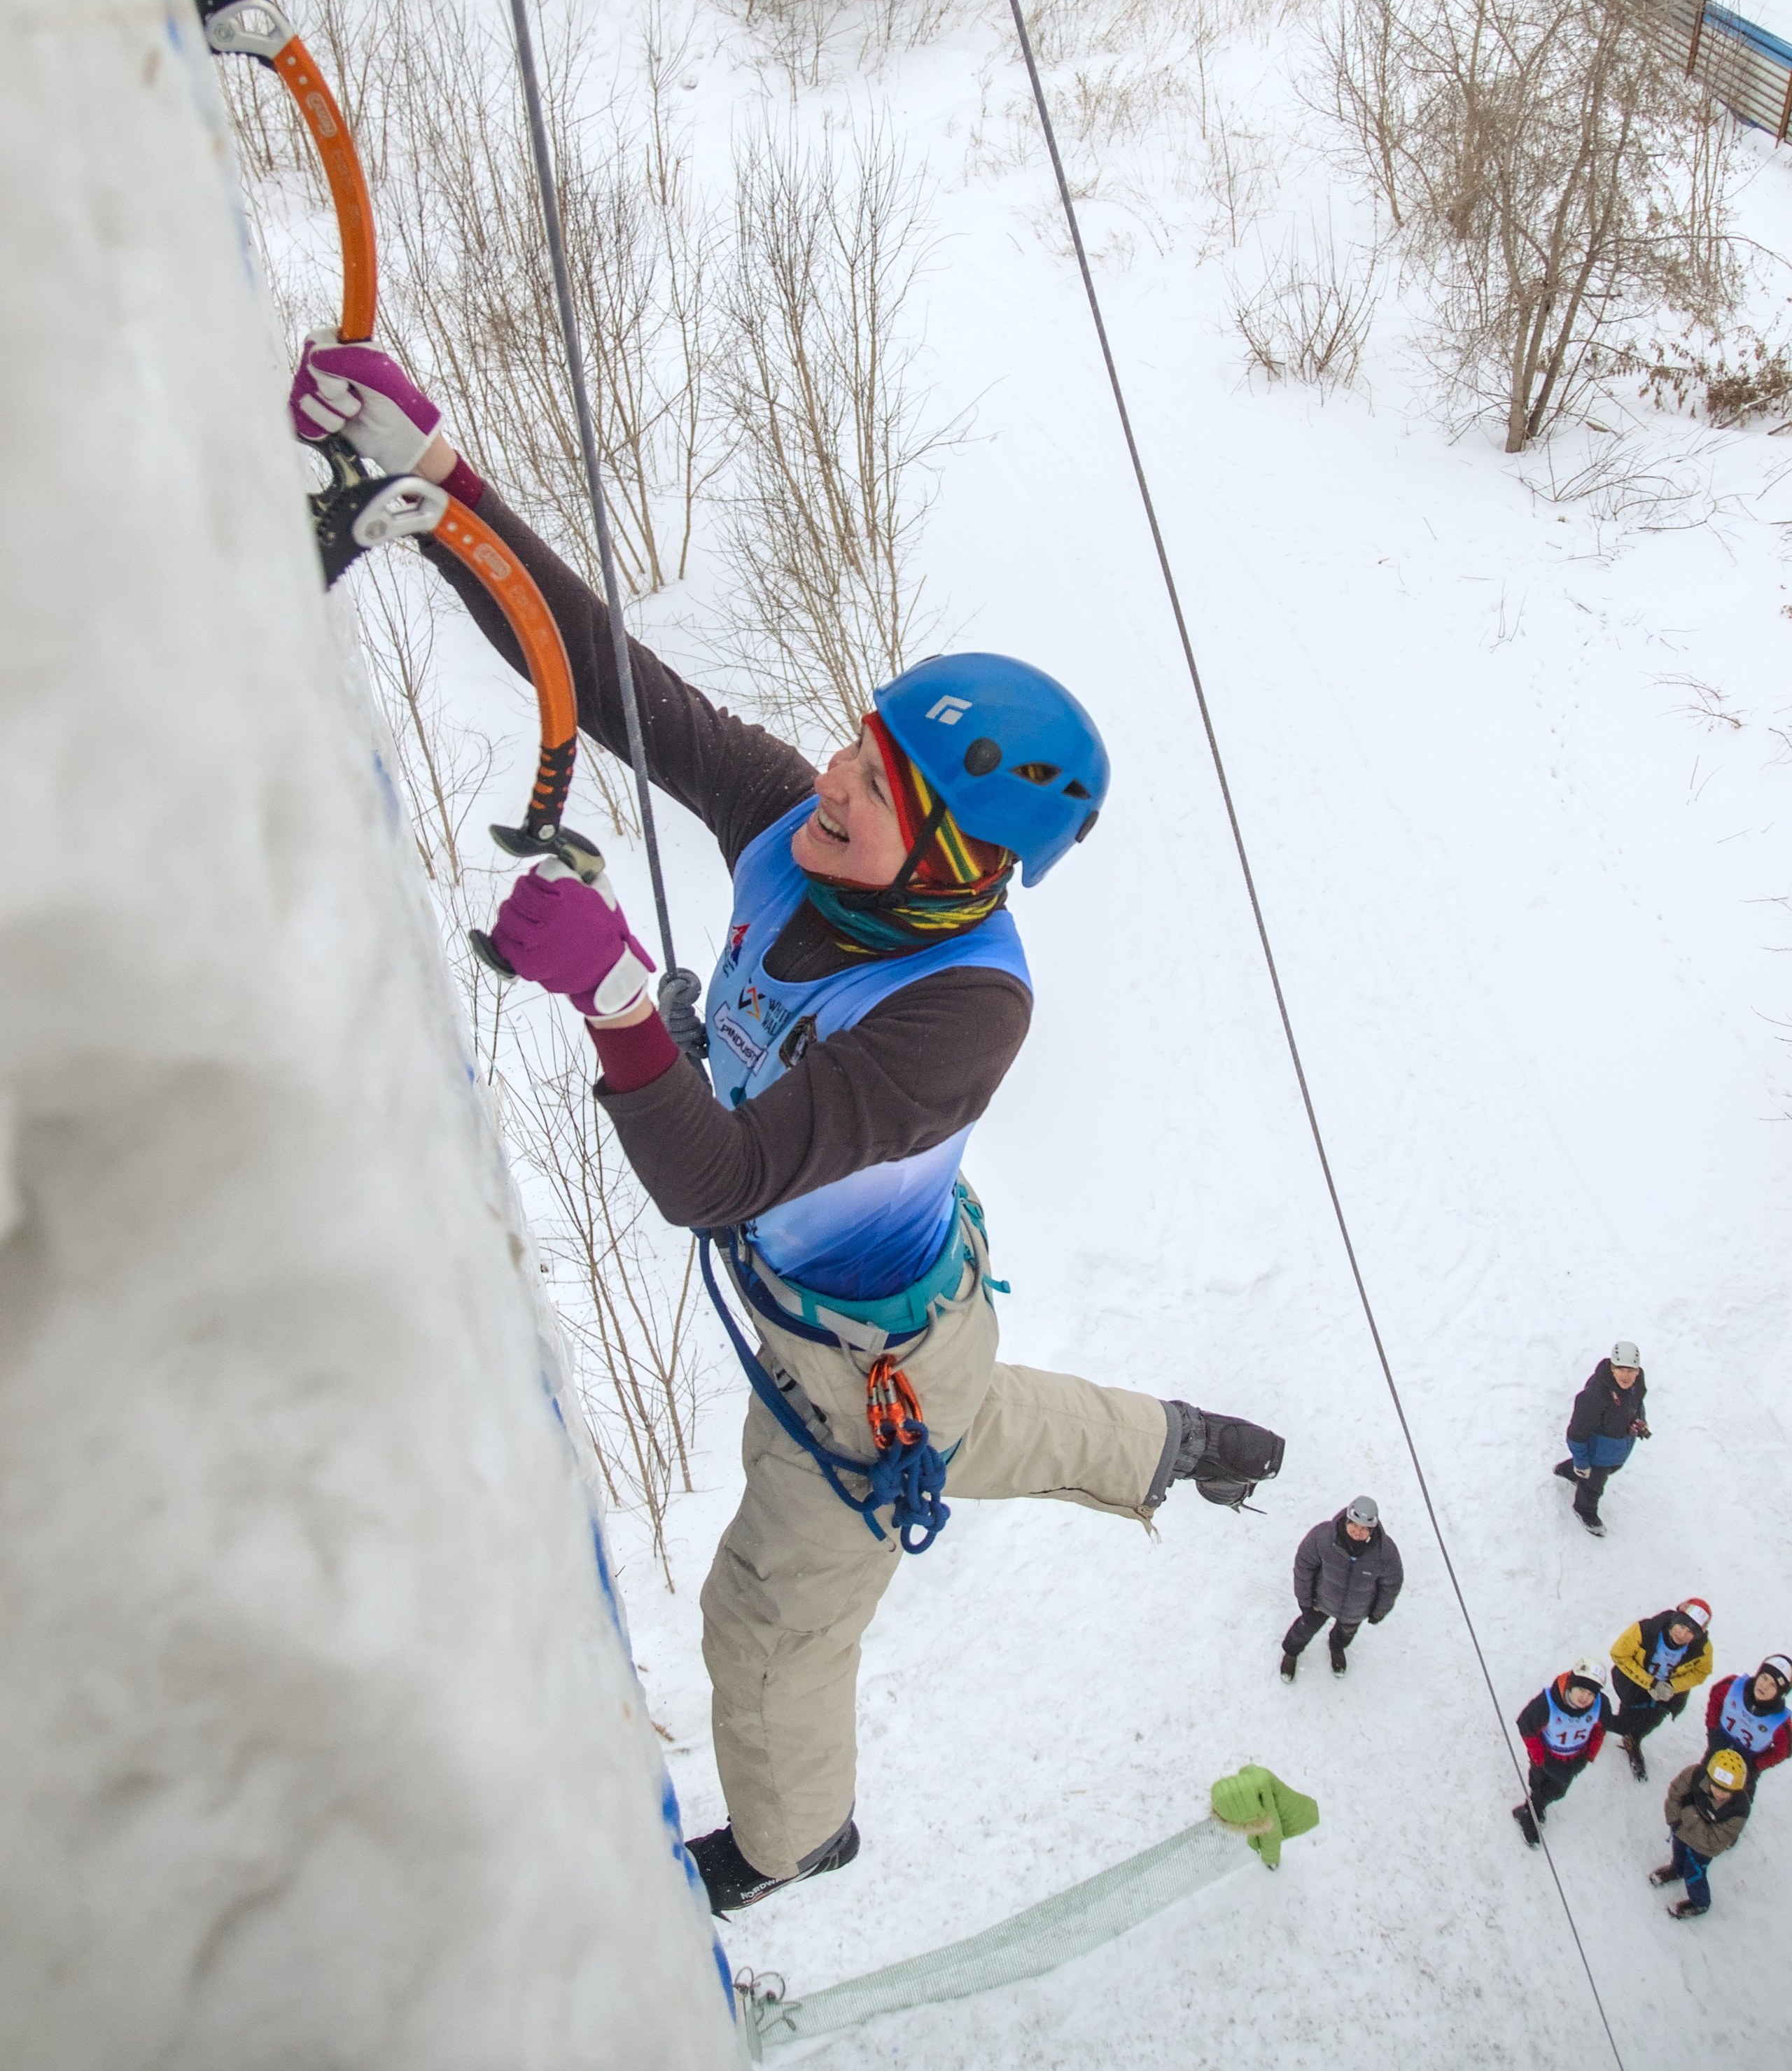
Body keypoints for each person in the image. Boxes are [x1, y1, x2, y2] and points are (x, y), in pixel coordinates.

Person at [286, 342, 1287, 1916]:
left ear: (958, 854)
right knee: (990, 1421)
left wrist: (620, 994)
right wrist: (448, 492)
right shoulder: (797, 829)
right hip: (907, 1330)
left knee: (768, 1620)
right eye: (850, 743)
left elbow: (720, 1177)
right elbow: (622, 682)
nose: (830, 776)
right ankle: (1172, 1441)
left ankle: (788, 1834)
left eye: (876, 782)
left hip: (852, 1379)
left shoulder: (968, 1006)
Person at [1279, 1495, 1403, 1680]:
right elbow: (1304, 1566)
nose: (1357, 1532)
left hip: (1356, 1610)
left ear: (1373, 1529)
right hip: (1321, 1601)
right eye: (1353, 1525)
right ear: (1346, 1520)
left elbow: (1391, 1586)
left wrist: (1378, 1612)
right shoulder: (1323, 1537)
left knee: (1346, 1633)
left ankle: (1337, 1648)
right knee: (1304, 1628)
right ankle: (1291, 1652)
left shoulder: (1385, 1553)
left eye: (1364, 1529)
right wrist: (1305, 1600)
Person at [1608, 1599, 1713, 1783]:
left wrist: (1674, 1686)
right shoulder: (1645, 1630)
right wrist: (1650, 1683)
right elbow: (1619, 1654)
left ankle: (1633, 1740)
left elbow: (1702, 1672)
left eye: (1691, 1633)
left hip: (1667, 1695)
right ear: (1674, 1619)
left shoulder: (1702, 1649)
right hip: (1636, 1686)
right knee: (1626, 1720)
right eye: (1681, 1626)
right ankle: (1597, 1723)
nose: (1683, 1635)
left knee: (1652, 1721)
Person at [1553, 1342, 1648, 1536]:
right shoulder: (1595, 1396)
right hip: (1598, 1455)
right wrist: (1581, 1462)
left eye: (1631, 1371)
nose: (1626, 1376)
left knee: (1608, 1470)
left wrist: (1640, 1421)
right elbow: (1577, 1434)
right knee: (1593, 1487)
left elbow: (1637, 1405)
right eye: (1620, 1369)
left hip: (1618, 1450)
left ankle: (1567, 1471)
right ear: (1612, 1368)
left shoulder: (1636, 1385)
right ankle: (1584, 1510)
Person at [1512, 1657, 1612, 1844]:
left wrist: (1589, 1755)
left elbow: (1600, 1730)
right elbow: (1526, 1727)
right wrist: (1540, 1759)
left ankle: (1534, 1807)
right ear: (1571, 1685)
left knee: (1558, 1790)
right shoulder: (1546, 1704)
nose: (1585, 1698)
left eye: (1591, 1694)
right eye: (1581, 1690)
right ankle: (1530, 1813)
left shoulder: (1601, 1705)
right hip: (1547, 1756)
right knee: (1539, 1781)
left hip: (1575, 1759)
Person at [1653, 1748, 1753, 1918]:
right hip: (1681, 1831)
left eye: (1727, 1791)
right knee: (1678, 1853)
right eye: (1717, 1786)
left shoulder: (1738, 1811)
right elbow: (1675, 1795)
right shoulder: (1694, 1775)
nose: (1720, 1793)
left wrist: (1687, 1814)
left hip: (1702, 1849)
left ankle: (1700, 1902)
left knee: (1694, 1872)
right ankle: (1677, 1869)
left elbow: (1712, 1841)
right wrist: (1675, 1822)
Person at [1704, 1655, 1791, 1781]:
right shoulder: (1731, 1686)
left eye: (1773, 1685)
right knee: (1703, 1779)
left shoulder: (1782, 1724)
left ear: (1780, 1694)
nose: (1765, 1686)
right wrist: (1713, 1730)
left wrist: (1757, 1765)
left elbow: (1783, 1751)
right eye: (1764, 1678)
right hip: (1719, 1743)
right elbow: (1715, 1699)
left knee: (1738, 1798)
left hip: (1747, 1762)